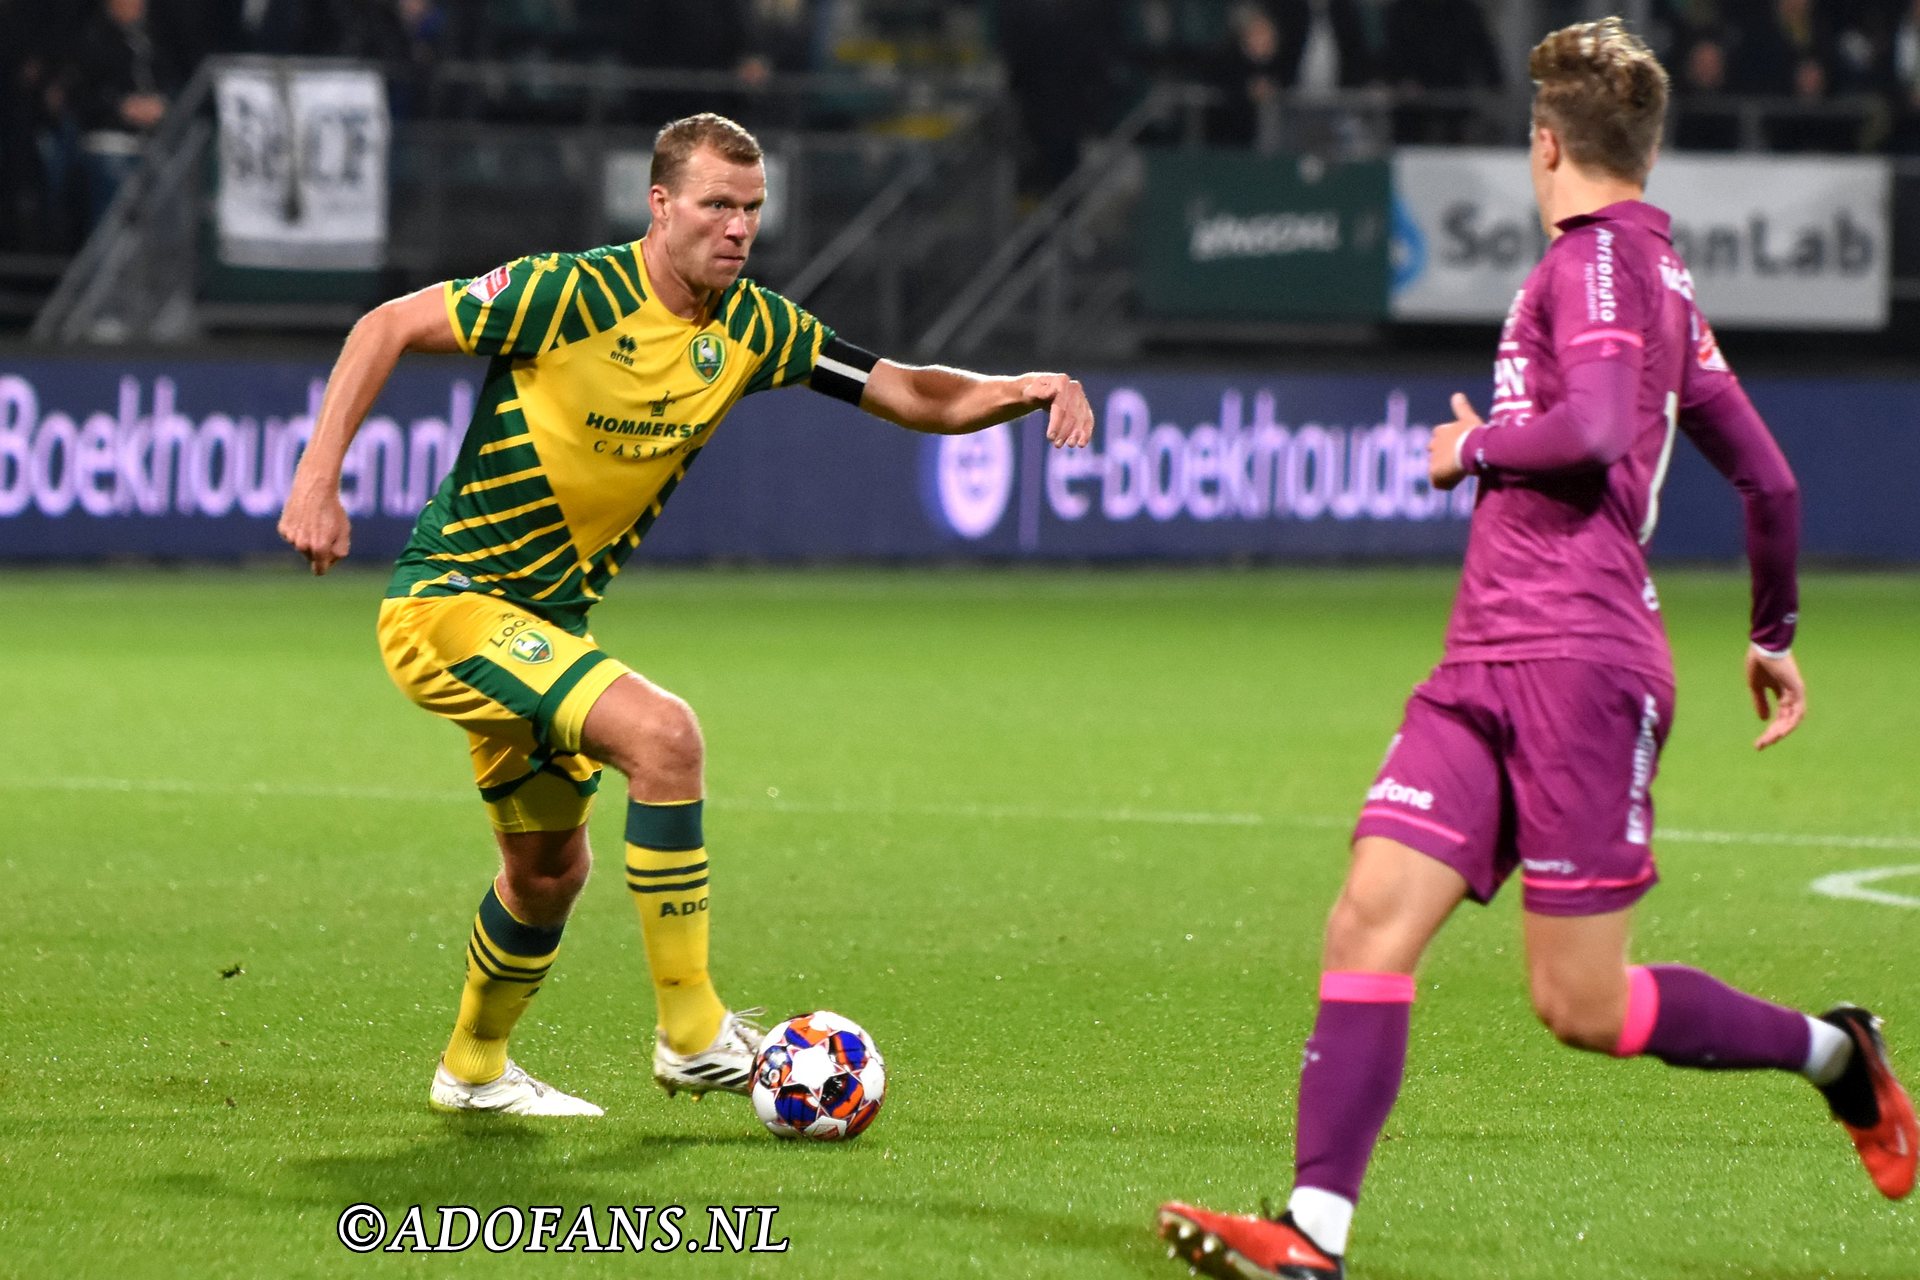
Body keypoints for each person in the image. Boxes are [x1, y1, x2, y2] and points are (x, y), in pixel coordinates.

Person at [1156, 19, 1915, 1280]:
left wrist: (1474, 449)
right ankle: (1311, 1236)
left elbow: (1600, 425)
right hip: (1484, 658)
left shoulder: (1598, 265)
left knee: (1582, 1005)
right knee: (1367, 920)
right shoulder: (1664, 284)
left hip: (1576, 660)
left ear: (1546, 145)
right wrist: (1770, 633)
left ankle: (1839, 1055)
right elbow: (1770, 484)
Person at [277, 111, 1093, 1117]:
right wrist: (319, 479)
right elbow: (386, 323)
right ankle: (696, 1033)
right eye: (717, 204)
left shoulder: (755, 327)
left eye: (752, 209)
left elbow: (907, 391)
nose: (739, 227)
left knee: (545, 873)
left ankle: (474, 1066)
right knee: (665, 736)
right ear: (659, 204)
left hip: (543, 630)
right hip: (449, 601)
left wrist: (1022, 385)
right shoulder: (571, 290)